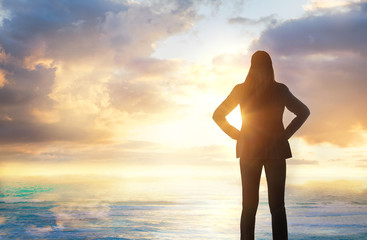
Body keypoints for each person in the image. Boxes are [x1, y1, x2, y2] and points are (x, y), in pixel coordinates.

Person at [212, 50, 310, 240]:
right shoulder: (280, 89)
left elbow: (218, 115)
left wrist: (237, 136)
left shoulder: (241, 89)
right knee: (278, 207)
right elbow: (304, 111)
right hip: (276, 150)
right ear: (270, 66)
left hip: (249, 150)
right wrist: (285, 135)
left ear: (251, 66)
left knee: (248, 206)